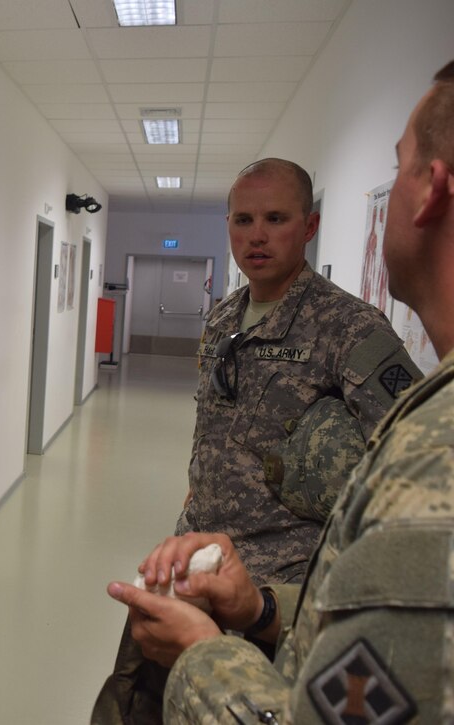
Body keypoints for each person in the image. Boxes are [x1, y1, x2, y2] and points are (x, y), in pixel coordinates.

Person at [108, 59, 454, 723]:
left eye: (274, 219)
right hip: (200, 556)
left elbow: (396, 435)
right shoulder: (223, 316)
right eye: (242, 220)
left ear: (310, 226)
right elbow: (215, 420)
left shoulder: (348, 326)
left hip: (286, 584)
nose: (256, 236)